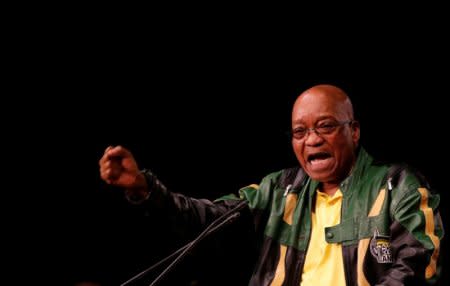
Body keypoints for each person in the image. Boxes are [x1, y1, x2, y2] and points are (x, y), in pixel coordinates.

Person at [99, 84, 444, 285]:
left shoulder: (395, 186)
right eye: (299, 132)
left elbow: (419, 265)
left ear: (353, 131)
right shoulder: (280, 191)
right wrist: (144, 188)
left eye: (324, 126)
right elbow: (205, 220)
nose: (311, 139)